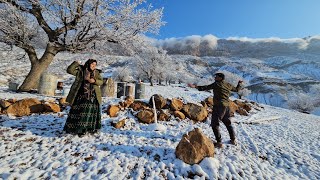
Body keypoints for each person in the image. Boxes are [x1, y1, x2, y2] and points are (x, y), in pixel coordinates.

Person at [188, 73, 243, 148]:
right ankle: (233, 140)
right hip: (227, 107)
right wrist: (239, 84)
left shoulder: (217, 84)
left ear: (220, 78)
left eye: (216, 76)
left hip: (219, 107)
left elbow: (206, 87)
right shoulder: (228, 84)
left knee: (214, 124)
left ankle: (219, 142)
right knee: (227, 123)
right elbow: (236, 90)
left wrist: (195, 86)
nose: (215, 77)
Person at [63, 59, 103, 136]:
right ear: (88, 64)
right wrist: (76, 63)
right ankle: (79, 129)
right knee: (80, 112)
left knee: (92, 113)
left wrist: (94, 81)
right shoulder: (81, 71)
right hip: (81, 95)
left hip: (93, 96)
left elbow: (101, 81)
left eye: (95, 65)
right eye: (92, 64)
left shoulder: (97, 73)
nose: (94, 66)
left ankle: (91, 128)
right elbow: (69, 70)